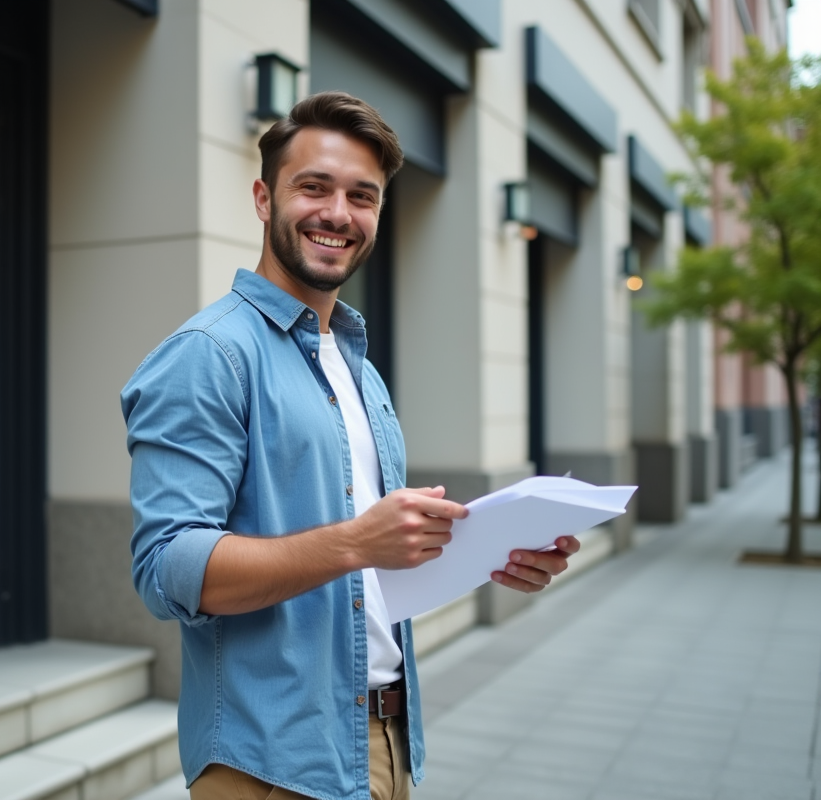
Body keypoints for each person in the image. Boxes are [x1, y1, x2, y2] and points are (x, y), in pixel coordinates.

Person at [121, 91, 580, 800]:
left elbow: (365, 559)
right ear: (263, 198)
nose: (339, 213)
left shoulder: (355, 363)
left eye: (362, 196)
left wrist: (490, 550)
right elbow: (167, 568)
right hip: (268, 763)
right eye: (314, 186)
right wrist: (357, 543)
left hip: (383, 742)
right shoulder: (208, 355)